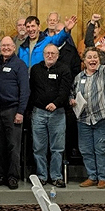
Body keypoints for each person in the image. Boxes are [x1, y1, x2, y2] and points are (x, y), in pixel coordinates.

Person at [71, 41, 105, 189]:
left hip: (104, 118)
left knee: (102, 148)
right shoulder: (78, 77)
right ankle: (91, 176)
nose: (92, 60)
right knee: (86, 149)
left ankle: (101, 177)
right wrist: (72, 100)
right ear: (84, 61)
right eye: (89, 57)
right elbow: (72, 93)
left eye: (95, 57)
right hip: (84, 119)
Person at [29, 43, 72, 188]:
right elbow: (32, 90)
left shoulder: (64, 69)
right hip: (39, 113)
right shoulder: (35, 69)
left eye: (53, 53)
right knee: (39, 147)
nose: (50, 56)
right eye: (47, 53)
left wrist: (56, 103)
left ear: (58, 55)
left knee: (57, 148)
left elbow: (65, 90)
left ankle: (56, 176)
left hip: (57, 113)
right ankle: (41, 176)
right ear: (43, 54)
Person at [0, 36, 30, 189]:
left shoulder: (19, 65)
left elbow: (25, 91)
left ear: (14, 47)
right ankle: (0, 175)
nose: (6, 48)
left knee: (13, 146)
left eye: (9, 45)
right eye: (3, 45)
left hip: (13, 110)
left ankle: (13, 176)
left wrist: (20, 111)